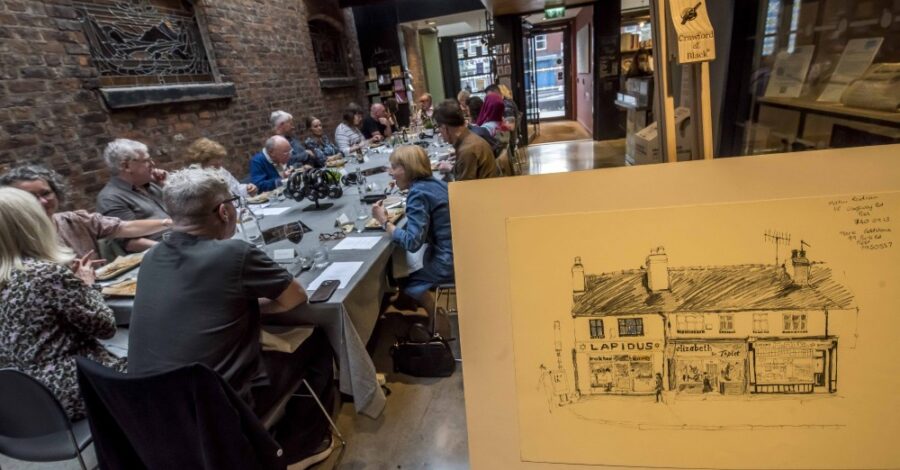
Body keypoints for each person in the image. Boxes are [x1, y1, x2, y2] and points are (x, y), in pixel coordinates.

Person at [127, 168, 335, 467]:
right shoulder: (235, 253)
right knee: (315, 342)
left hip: (150, 412)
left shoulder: (151, 258)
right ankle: (301, 447)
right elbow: (295, 298)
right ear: (224, 211)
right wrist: (247, 308)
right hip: (216, 411)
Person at [0, 187, 125, 420]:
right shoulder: (43, 274)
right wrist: (87, 285)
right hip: (70, 389)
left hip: (20, 399)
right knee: (158, 360)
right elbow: (105, 328)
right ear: (31, 225)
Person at [0, 165, 171, 262]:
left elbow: (124, 227)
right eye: (30, 197)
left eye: (46, 193)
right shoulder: (10, 237)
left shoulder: (74, 220)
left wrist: (169, 223)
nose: (42, 202)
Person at [371, 145, 453, 328]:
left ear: (408, 168)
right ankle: (408, 302)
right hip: (458, 249)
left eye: (394, 167)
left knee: (403, 277)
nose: (391, 173)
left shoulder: (418, 193)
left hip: (447, 260)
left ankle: (435, 316)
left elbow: (412, 242)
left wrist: (384, 221)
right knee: (402, 264)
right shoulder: (435, 183)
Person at [96, 138, 170, 253]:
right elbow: (130, 243)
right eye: (146, 161)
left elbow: (183, 214)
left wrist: (166, 185)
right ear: (126, 166)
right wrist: (172, 249)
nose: (152, 164)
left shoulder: (152, 185)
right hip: (159, 253)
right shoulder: (110, 198)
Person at [434, 100, 498, 181]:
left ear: (444, 128)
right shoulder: (469, 137)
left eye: (438, 126)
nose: (438, 131)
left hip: (482, 188)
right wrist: (456, 165)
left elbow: (463, 186)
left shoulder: (467, 150)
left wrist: (457, 163)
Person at [184, 137, 258, 197]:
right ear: (201, 161)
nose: (219, 165)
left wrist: (247, 189)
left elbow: (235, 188)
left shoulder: (219, 170)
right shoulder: (193, 180)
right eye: (215, 163)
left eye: (220, 160)